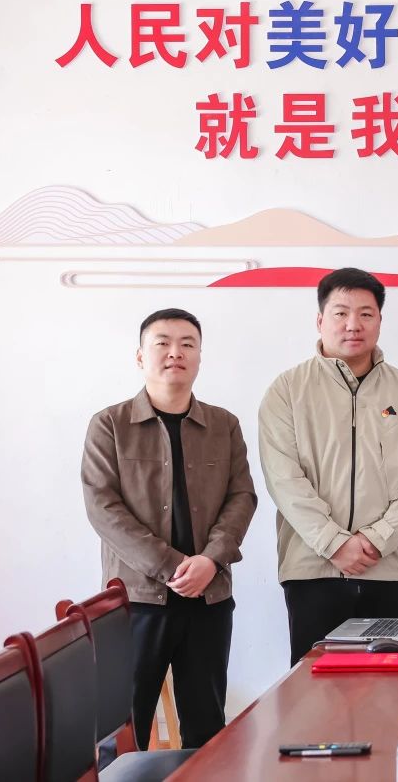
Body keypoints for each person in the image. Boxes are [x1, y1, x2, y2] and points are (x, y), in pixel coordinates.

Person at [82, 308, 257, 749]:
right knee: (122, 730)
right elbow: (103, 507)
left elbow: (242, 498)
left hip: (209, 597)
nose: (175, 352)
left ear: (199, 357)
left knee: (207, 728)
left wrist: (210, 560)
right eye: (162, 343)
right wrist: (173, 566)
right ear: (140, 357)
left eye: (187, 344)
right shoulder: (110, 424)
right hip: (136, 600)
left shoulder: (224, 425)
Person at [259, 267, 398, 665]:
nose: (353, 324)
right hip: (313, 571)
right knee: (313, 689)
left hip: (388, 569)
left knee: (393, 685)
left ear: (379, 321)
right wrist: (334, 543)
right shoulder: (287, 390)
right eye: (340, 313)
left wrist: (378, 539)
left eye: (365, 314)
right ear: (320, 320)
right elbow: (283, 478)